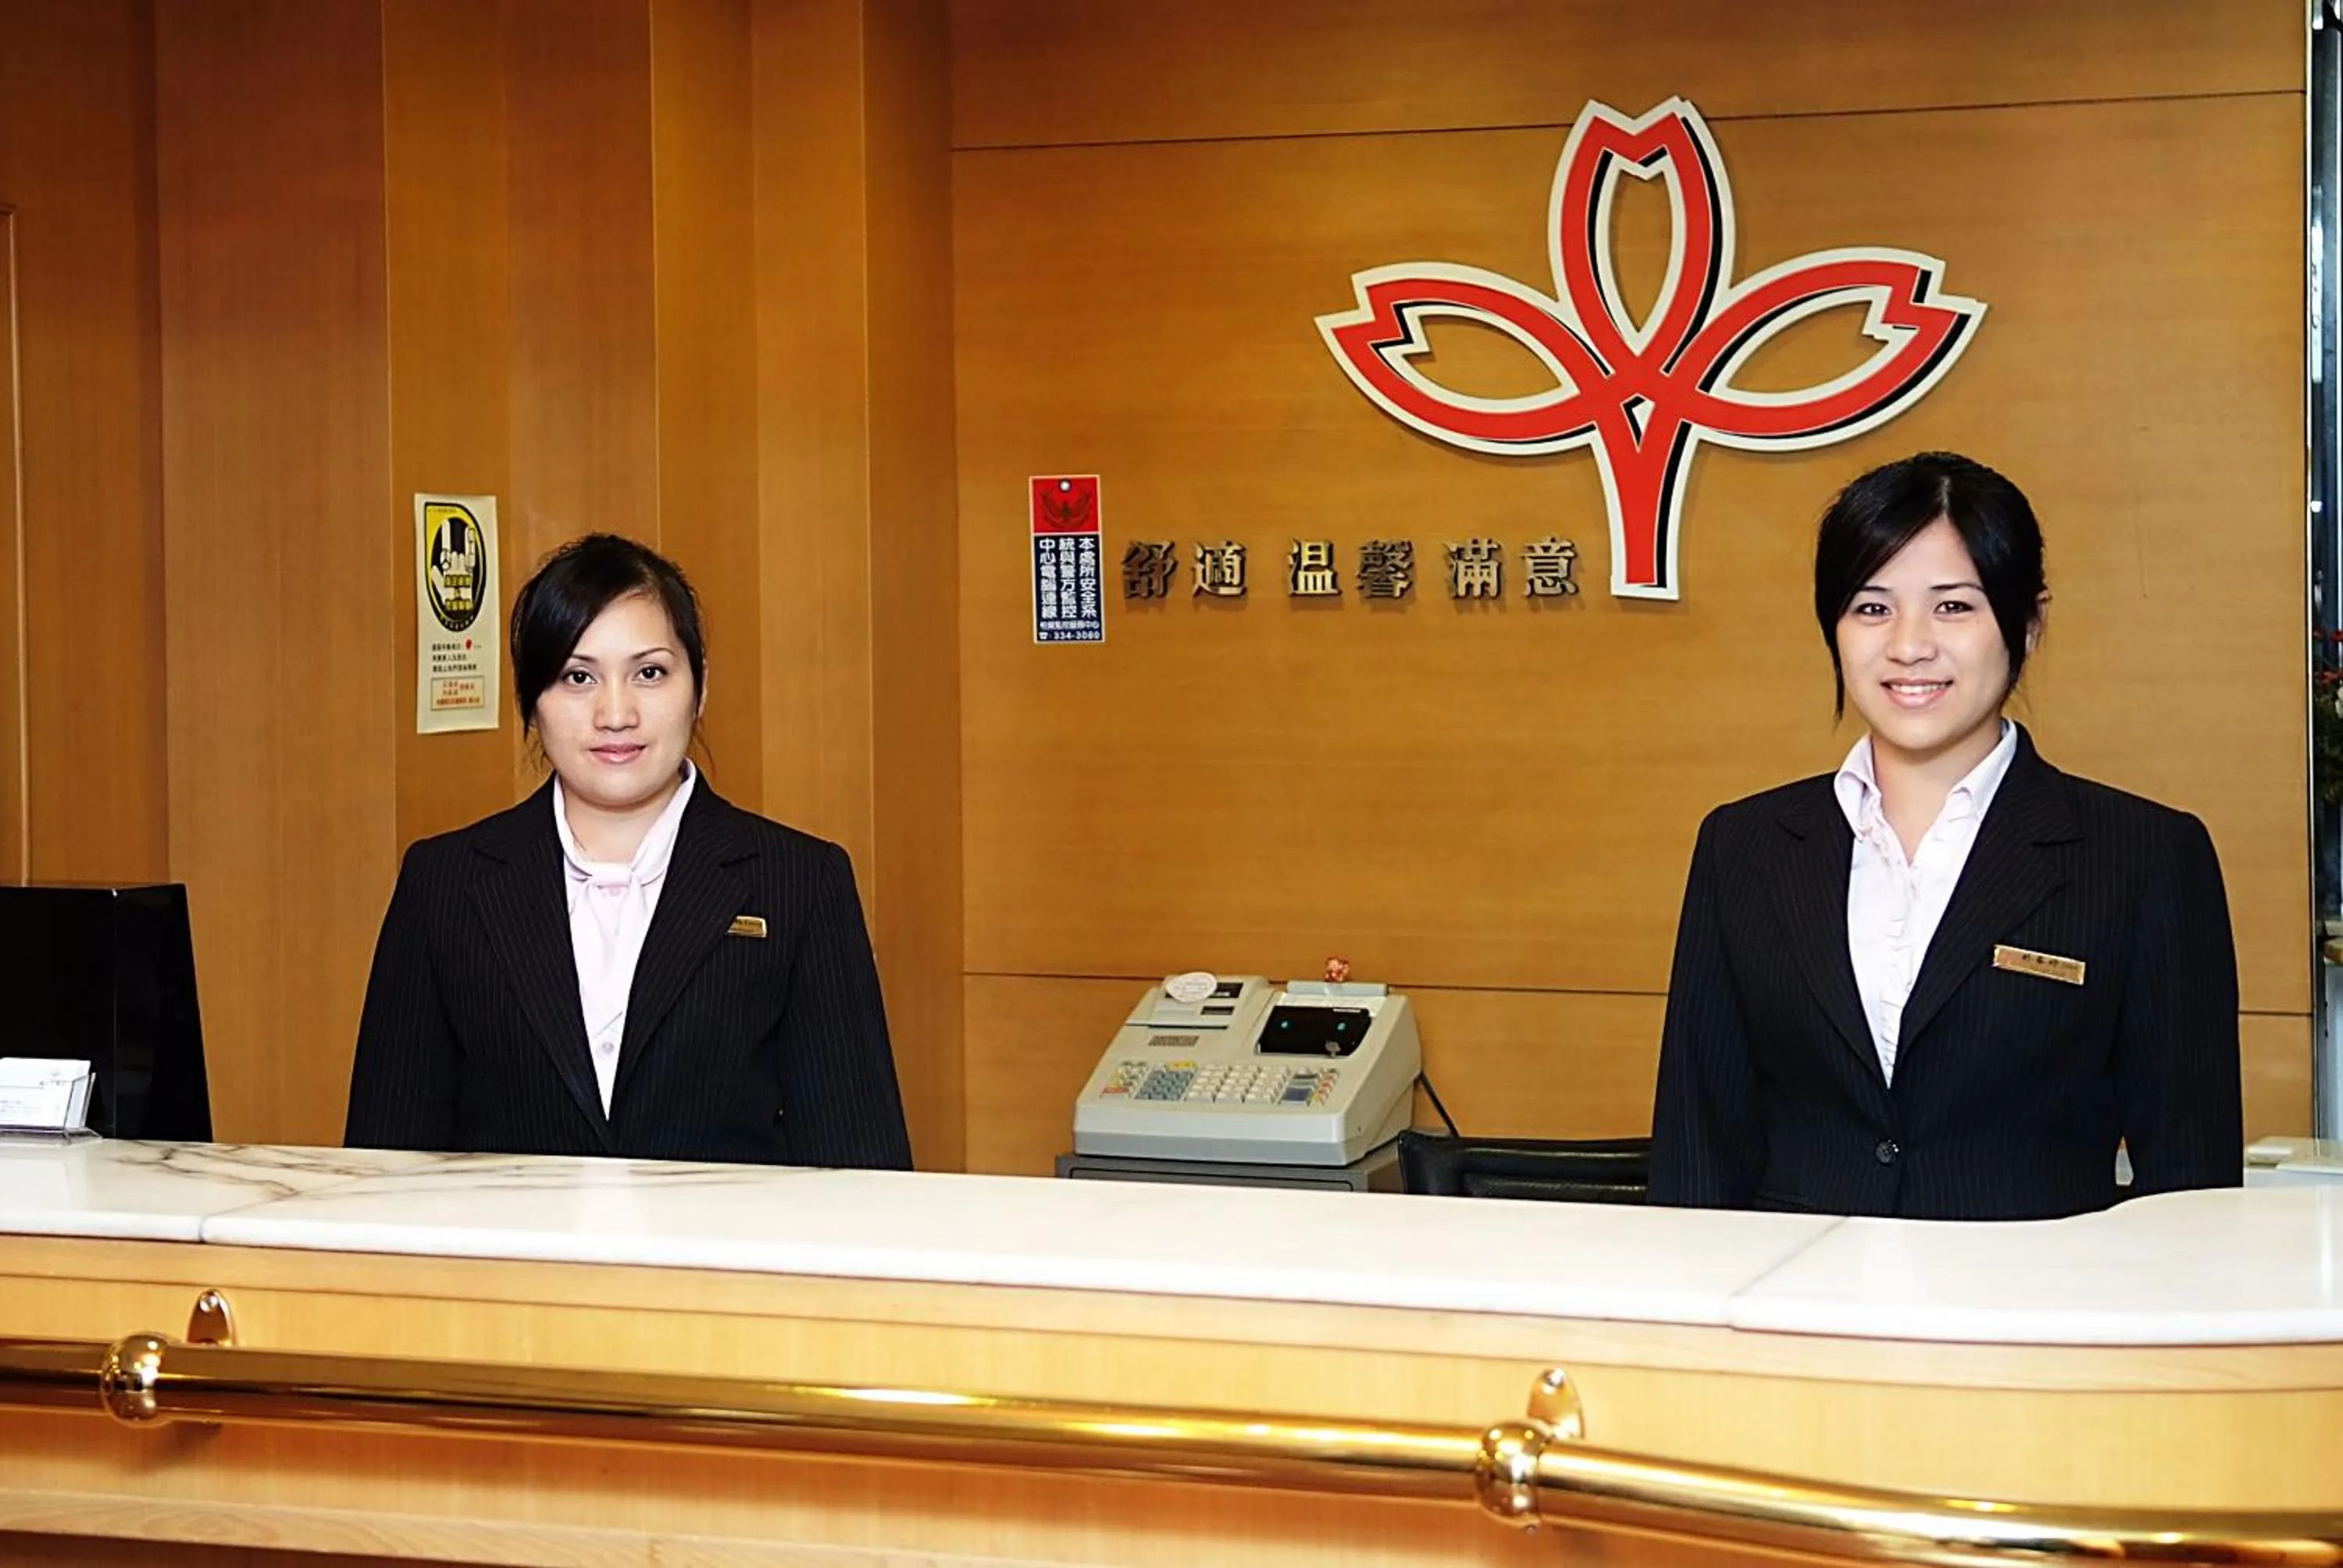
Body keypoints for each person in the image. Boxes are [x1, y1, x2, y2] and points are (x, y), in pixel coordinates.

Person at [1646, 453, 2240, 1220]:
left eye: (1954, 606)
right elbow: (1699, 1148)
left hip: (2037, 1293)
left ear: (2029, 622)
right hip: (1795, 1290)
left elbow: (2191, 1185)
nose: (1909, 645)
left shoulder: (2145, 857)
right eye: (1871, 607)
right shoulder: (1745, 847)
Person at [346, 534, 913, 1167]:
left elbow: (863, 1169)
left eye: (649, 673)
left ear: (700, 686)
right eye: (578, 677)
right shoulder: (444, 885)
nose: (615, 714)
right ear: (531, 700)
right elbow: (383, 1167)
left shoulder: (800, 884)